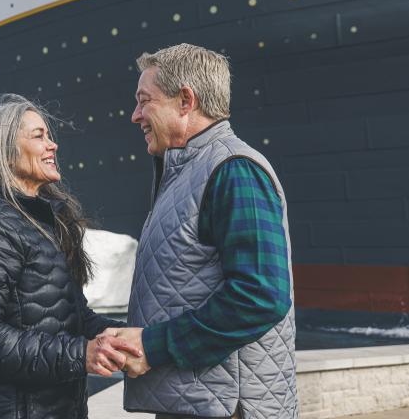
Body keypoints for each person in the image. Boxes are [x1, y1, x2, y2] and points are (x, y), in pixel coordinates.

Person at [106, 44, 298, 419]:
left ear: (185, 101)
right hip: (200, 401)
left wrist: (153, 346)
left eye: (144, 101)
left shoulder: (234, 170)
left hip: (227, 407)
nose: (135, 116)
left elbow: (261, 297)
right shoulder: (187, 172)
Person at [0, 94, 141, 419]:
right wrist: (81, 354)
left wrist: (133, 336)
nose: (53, 145)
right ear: (5, 151)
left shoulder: (42, 222)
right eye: (39, 136)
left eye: (49, 136)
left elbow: (73, 318)